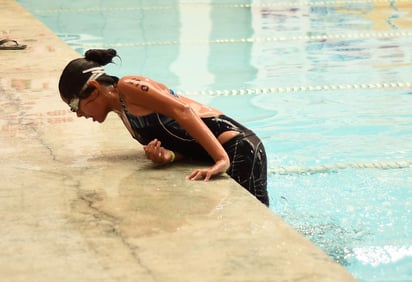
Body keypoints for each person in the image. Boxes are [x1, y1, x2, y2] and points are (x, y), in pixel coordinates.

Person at [58, 49, 269, 206]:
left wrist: (222, 160)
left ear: (94, 88)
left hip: (240, 149)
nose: (78, 114)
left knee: (258, 230)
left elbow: (183, 111)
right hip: (222, 153)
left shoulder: (128, 86)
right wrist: (169, 156)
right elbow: (187, 142)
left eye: (75, 105)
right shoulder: (124, 115)